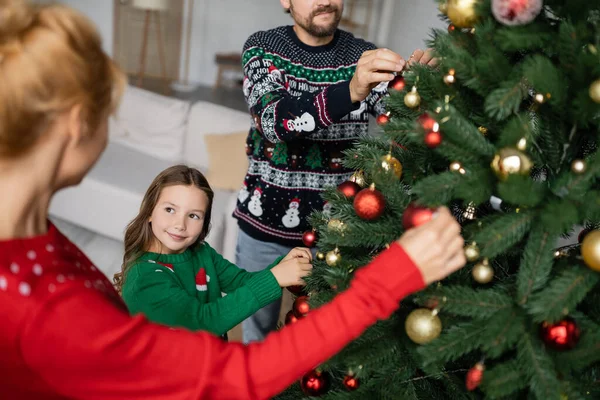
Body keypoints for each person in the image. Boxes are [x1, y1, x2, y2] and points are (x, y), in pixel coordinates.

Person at [0, 1, 465, 399]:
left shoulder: (34, 239)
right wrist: (392, 276)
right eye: (110, 113)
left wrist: (419, 88)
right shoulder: (53, 308)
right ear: (78, 123)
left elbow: (403, 117)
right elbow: (239, 374)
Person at [234, 0, 438, 343]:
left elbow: (404, 119)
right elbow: (274, 121)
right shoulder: (262, 48)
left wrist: (422, 88)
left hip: (337, 235)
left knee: (326, 343)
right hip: (262, 231)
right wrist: (351, 90)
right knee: (258, 335)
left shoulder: (365, 55)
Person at [115, 165, 314, 337]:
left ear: (204, 224)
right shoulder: (145, 278)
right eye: (170, 210)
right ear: (150, 212)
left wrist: (281, 267)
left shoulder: (202, 253)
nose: (180, 224)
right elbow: (206, 321)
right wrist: (275, 277)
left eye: (193, 215)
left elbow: (242, 282)